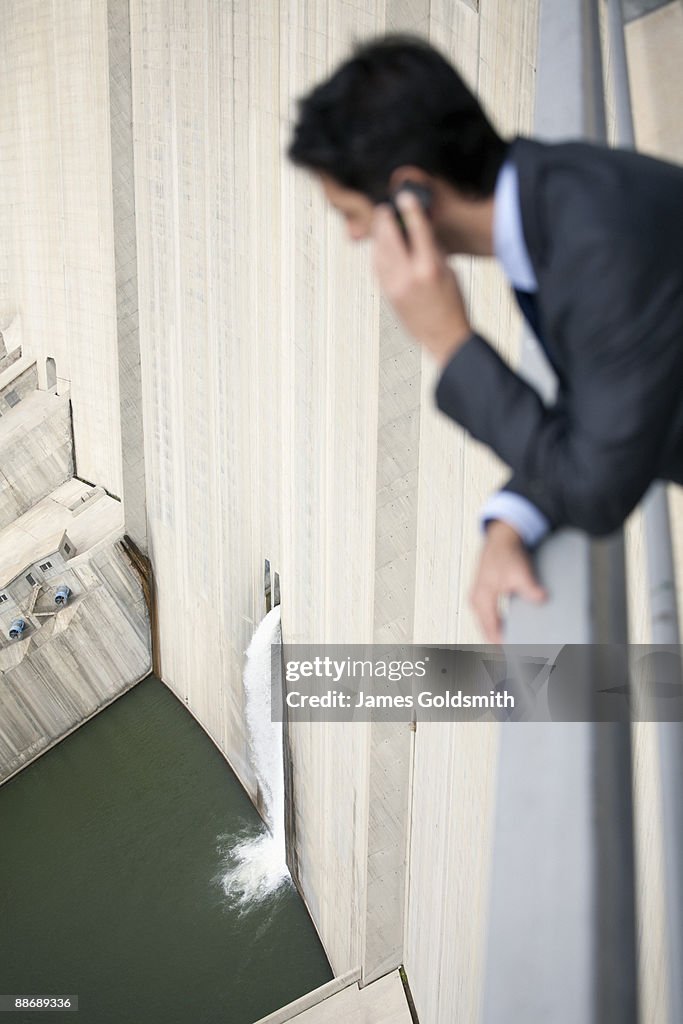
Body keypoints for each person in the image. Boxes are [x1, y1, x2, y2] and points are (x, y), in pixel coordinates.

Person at [288, 34, 683, 642]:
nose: (354, 238)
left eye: (352, 213)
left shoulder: (600, 253)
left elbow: (596, 489)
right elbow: (602, 407)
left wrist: (450, 340)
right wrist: (512, 519)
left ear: (410, 194)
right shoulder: (557, 197)